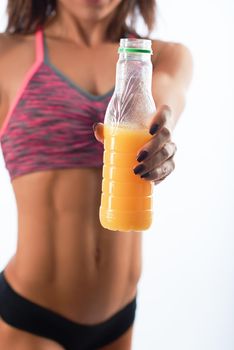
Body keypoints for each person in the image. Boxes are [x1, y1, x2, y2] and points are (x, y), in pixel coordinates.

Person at [0, 0, 193, 349]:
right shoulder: (6, 55)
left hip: (118, 321)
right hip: (31, 318)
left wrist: (161, 135)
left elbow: (166, 106)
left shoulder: (161, 56)